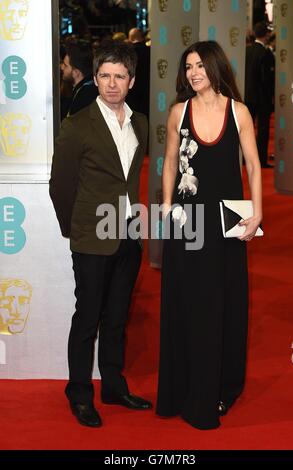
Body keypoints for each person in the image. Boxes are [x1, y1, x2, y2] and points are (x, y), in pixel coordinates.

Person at [156, 41, 262, 430]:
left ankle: (218, 387)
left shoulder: (239, 112)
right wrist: (166, 205)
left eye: (200, 65)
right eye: (188, 67)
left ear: (215, 67)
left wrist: (258, 211)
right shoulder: (177, 112)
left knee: (220, 304)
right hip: (187, 225)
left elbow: (252, 164)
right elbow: (168, 161)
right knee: (186, 302)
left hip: (225, 227)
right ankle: (183, 386)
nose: (194, 73)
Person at [49, 41, 151, 428]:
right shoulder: (76, 125)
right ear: (95, 78)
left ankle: (113, 384)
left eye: (119, 76)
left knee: (117, 316)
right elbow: (60, 186)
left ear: (132, 80)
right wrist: (75, 229)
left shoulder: (140, 122)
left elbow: (130, 179)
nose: (111, 84)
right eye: (104, 76)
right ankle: (79, 393)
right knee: (87, 316)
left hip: (128, 233)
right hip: (92, 237)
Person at [245, 22, 274, 168]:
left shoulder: (247, 51)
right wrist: (271, 96)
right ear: (266, 34)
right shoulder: (265, 53)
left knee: (247, 130)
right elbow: (266, 79)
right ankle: (261, 159)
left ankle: (245, 158)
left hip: (248, 96)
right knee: (262, 130)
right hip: (262, 98)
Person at [60, 41, 99, 119]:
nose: (62, 67)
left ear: (76, 73)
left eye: (65, 65)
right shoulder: (89, 87)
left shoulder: (83, 98)